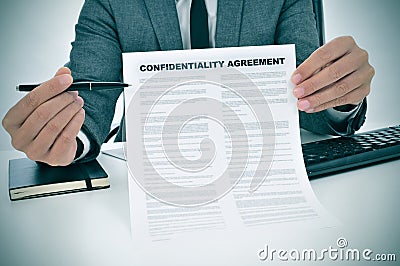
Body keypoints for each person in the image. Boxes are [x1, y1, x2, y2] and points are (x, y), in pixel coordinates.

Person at [2, 0, 374, 166]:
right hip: (149, 176)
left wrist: (340, 96)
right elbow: (89, 103)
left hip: (262, 168)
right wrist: (62, 137)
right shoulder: (111, 3)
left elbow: (308, 95)